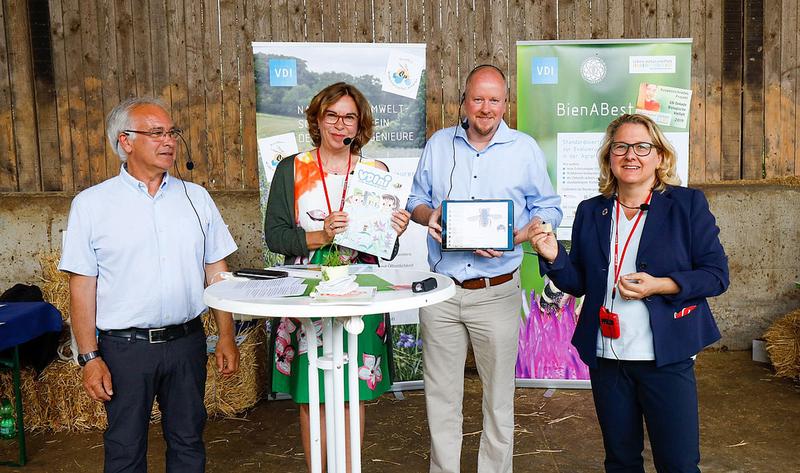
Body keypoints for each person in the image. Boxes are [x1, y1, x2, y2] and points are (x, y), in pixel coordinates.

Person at [530, 113, 729, 473]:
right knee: (620, 462)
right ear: (609, 156)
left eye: (642, 146)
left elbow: (716, 276)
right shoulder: (593, 211)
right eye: (621, 146)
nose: (630, 155)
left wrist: (660, 285)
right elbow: (578, 282)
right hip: (609, 360)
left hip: (664, 358)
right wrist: (553, 255)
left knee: (679, 464)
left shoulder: (687, 205)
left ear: (660, 157)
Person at [59, 97, 240, 473]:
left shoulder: (196, 198)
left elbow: (217, 271)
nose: (170, 141)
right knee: (125, 447)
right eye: (156, 133)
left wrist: (226, 335)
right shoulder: (92, 205)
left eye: (172, 132)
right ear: (125, 142)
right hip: (124, 349)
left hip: (187, 343)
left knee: (189, 439)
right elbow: (82, 288)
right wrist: (89, 358)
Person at [406, 64, 562, 473]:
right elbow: (415, 200)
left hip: (496, 291)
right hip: (440, 291)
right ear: (464, 101)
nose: (486, 108)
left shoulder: (525, 149)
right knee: (441, 397)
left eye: (494, 99)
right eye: (478, 98)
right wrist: (430, 216)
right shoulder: (439, 145)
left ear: (505, 103)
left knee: (498, 397)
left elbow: (549, 208)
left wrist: (519, 234)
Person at [264, 82, 411, 472]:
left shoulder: (374, 172)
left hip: (359, 290)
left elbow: (386, 250)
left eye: (349, 116)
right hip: (307, 293)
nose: (339, 124)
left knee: (352, 393)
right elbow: (274, 235)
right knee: (311, 394)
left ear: (359, 124)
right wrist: (321, 234)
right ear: (317, 118)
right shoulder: (292, 169)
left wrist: (392, 231)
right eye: (332, 115)